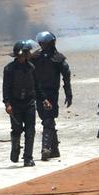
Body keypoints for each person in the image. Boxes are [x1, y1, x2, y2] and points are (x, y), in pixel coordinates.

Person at [33, 30, 74, 161]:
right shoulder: (35, 57)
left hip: (52, 93)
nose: (43, 45)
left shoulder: (58, 58)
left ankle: (46, 149)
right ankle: (55, 149)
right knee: (46, 119)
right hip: (38, 92)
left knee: (48, 119)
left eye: (45, 43)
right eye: (41, 43)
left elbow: (66, 75)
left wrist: (68, 93)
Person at [3, 39, 40, 167]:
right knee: (16, 129)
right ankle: (15, 149)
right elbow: (6, 87)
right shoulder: (9, 69)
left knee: (30, 131)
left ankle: (28, 157)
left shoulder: (31, 67)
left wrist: (44, 99)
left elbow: (37, 85)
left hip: (29, 102)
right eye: (26, 52)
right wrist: (7, 104)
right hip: (15, 103)